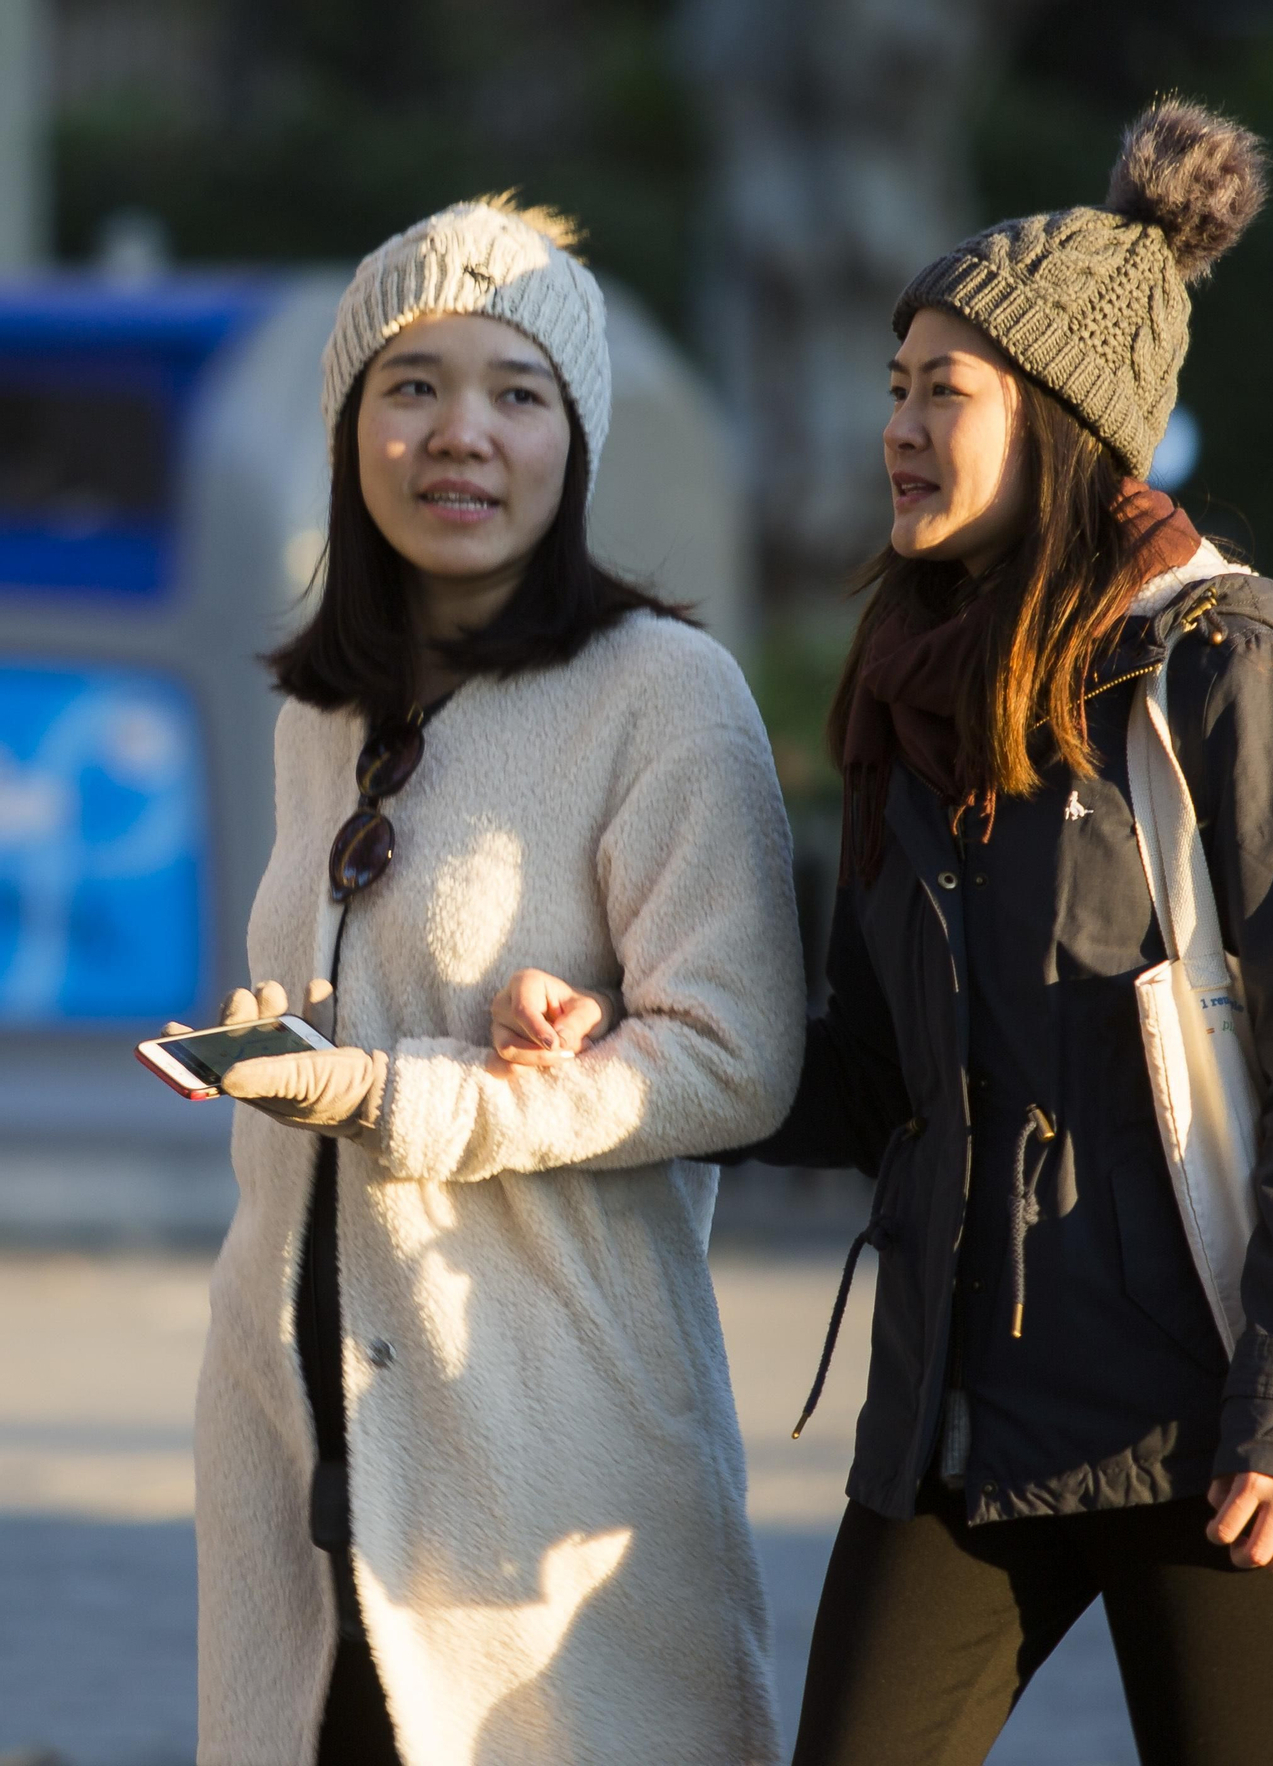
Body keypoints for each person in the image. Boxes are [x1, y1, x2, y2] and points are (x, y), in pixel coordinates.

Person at [509, 101, 1273, 1762]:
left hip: (1210, 1419)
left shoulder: (1224, 659)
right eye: (894, 388)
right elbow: (872, 1072)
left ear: (1067, 421)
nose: (902, 429)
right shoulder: (908, 691)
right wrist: (628, 1043)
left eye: (948, 391)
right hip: (954, 1418)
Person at [178, 197, 805, 1766]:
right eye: (414, 387)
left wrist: (405, 1096)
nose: (462, 433)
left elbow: (737, 1058)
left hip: (537, 1455)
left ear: (573, 440)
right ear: (351, 428)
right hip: (296, 1433)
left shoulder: (667, 692)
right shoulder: (319, 716)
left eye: (516, 393)